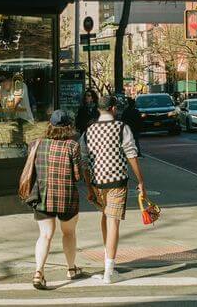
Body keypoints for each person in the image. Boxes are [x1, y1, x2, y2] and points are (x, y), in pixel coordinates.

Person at [80, 95, 147, 284]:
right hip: (117, 181)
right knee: (113, 222)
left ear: (99, 109)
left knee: (105, 217)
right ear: (113, 109)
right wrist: (141, 181)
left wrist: (88, 186)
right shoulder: (121, 128)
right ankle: (109, 269)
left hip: (97, 182)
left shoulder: (88, 131)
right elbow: (132, 154)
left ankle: (107, 260)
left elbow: (84, 161)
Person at [31, 110, 90, 290]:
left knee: (45, 235)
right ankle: (71, 269)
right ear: (68, 127)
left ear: (50, 125)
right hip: (66, 197)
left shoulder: (36, 144)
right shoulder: (72, 146)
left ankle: (38, 273)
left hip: (42, 196)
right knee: (69, 233)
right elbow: (78, 175)